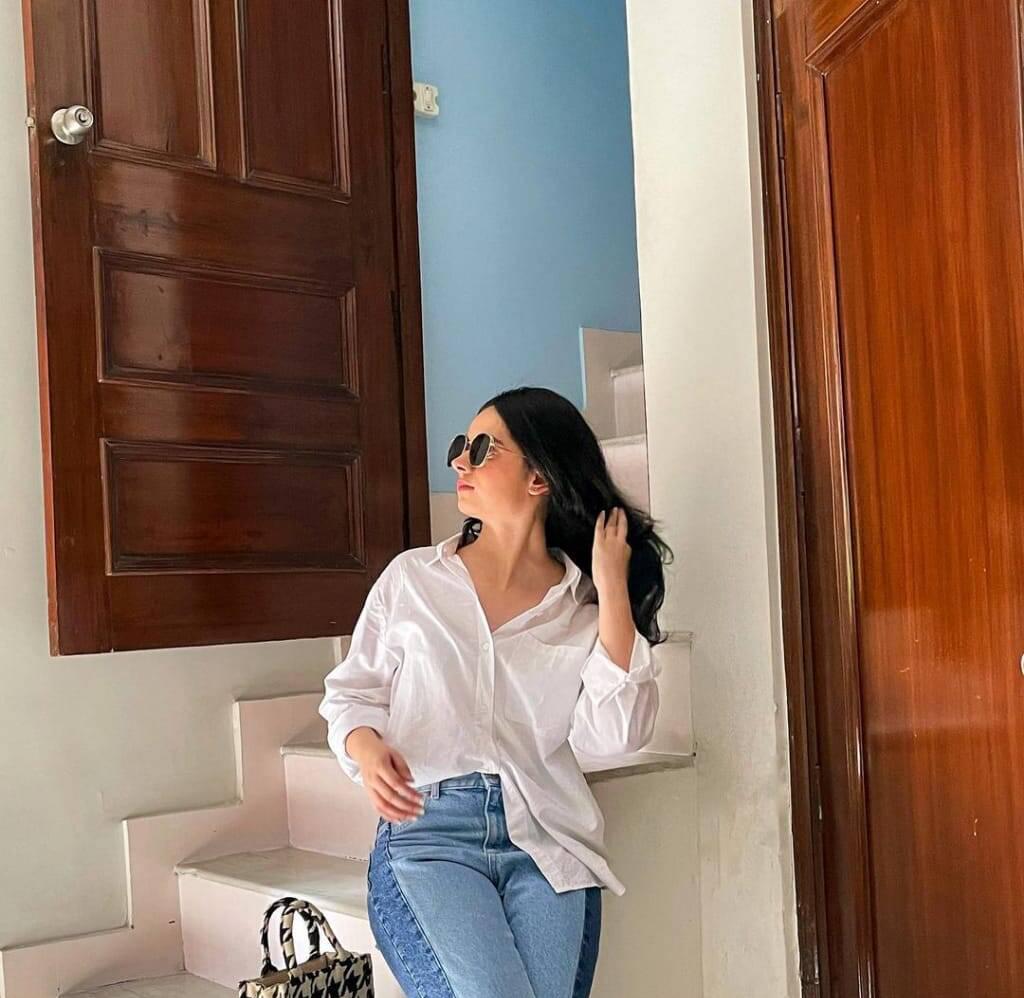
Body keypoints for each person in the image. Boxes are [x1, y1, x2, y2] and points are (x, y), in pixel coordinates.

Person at [318, 385, 673, 997]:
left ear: (539, 477)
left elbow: (614, 736)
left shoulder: (582, 609)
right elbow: (352, 693)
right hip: (429, 833)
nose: (460, 460)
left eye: (483, 448)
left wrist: (613, 589)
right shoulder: (413, 579)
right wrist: (366, 749)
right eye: (463, 446)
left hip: (548, 842)